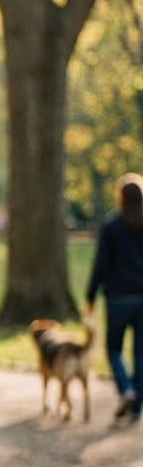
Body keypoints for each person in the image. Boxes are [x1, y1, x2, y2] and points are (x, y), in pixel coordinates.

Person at [85, 172, 143, 423]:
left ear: (120, 197)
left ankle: (125, 389)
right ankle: (137, 405)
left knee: (113, 348)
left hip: (118, 297)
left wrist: (90, 297)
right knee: (141, 352)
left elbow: (101, 265)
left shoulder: (111, 226)